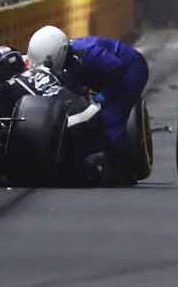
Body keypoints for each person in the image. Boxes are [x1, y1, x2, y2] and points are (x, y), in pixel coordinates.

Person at [28, 25, 149, 184]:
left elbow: (117, 69)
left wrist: (102, 97)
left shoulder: (88, 53)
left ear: (56, 54)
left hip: (130, 70)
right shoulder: (66, 57)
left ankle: (125, 170)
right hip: (105, 73)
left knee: (111, 119)